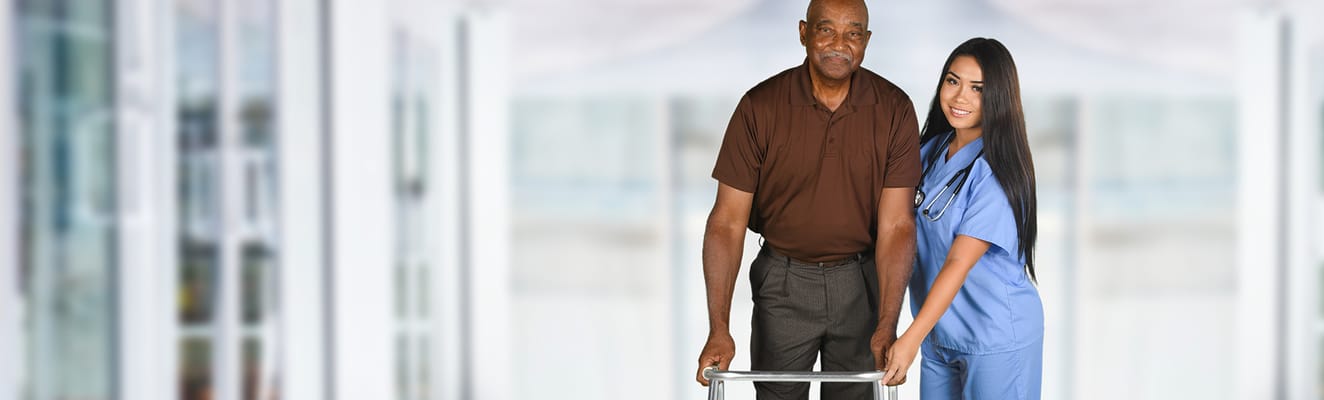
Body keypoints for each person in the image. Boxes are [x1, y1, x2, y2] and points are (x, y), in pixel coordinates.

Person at [693, 0, 922, 398]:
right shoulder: (759, 107)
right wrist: (719, 328)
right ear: (803, 32)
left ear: (866, 41)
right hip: (783, 283)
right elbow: (726, 223)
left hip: (861, 283)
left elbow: (898, 225)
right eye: (825, 29)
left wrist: (888, 323)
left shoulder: (894, 109)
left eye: (853, 33)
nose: (840, 43)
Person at [878, 37, 1044, 399]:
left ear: (999, 97)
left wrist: (909, 338)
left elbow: (957, 262)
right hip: (940, 335)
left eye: (977, 89)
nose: (960, 97)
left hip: (996, 336)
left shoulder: (997, 172)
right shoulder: (929, 152)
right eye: (953, 81)